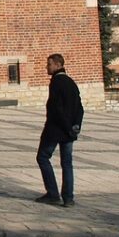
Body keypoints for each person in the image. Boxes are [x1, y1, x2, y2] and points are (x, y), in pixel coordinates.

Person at [35, 53, 84, 207]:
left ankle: (53, 193)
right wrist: (76, 127)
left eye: (48, 64)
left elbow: (57, 109)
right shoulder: (71, 82)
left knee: (42, 157)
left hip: (56, 129)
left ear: (57, 65)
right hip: (69, 131)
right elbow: (80, 108)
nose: (46, 67)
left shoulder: (57, 82)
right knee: (67, 163)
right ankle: (68, 198)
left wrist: (66, 127)